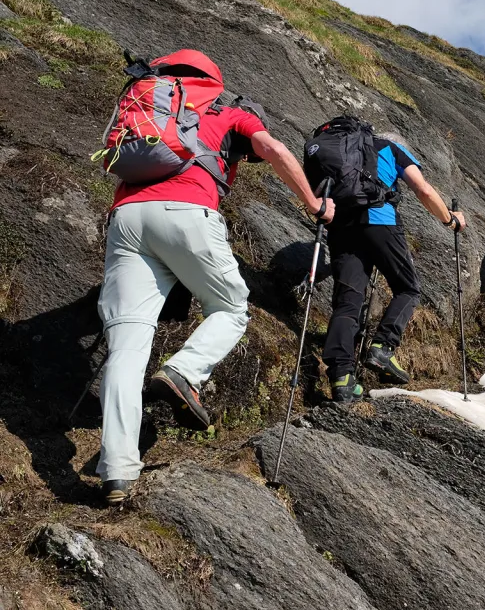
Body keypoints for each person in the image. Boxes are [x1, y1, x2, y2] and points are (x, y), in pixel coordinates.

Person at [96, 55, 334, 506]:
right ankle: (184, 372)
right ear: (214, 81)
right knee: (230, 306)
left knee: (127, 344)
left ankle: (117, 471)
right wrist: (314, 205)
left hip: (126, 217)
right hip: (188, 212)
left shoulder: (148, 101)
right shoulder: (226, 111)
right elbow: (276, 151)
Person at [318, 129, 466, 404]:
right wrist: (449, 219)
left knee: (348, 302)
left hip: (341, 227)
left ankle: (342, 378)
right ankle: (382, 347)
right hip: (379, 220)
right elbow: (422, 188)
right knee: (407, 288)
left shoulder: (342, 151)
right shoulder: (392, 148)